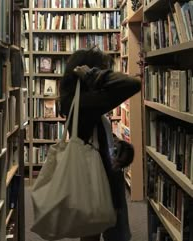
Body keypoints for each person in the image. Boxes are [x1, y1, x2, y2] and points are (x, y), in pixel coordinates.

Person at [59, 46, 141, 241]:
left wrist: (117, 144)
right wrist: (93, 75)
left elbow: (94, 133)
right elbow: (132, 84)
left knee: (98, 233)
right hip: (98, 181)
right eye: (103, 69)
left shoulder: (79, 101)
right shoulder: (82, 102)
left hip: (100, 177)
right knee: (108, 235)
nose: (106, 74)